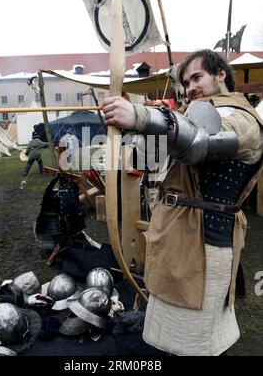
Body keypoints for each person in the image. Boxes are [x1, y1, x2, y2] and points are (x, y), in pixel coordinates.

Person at [102, 49, 263, 356]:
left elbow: (203, 143)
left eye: (198, 77)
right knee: (176, 341)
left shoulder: (242, 117)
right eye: (187, 82)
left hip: (206, 241)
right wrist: (145, 127)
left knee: (199, 342)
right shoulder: (193, 114)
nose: (190, 88)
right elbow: (148, 162)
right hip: (177, 234)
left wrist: (143, 116)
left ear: (221, 75)